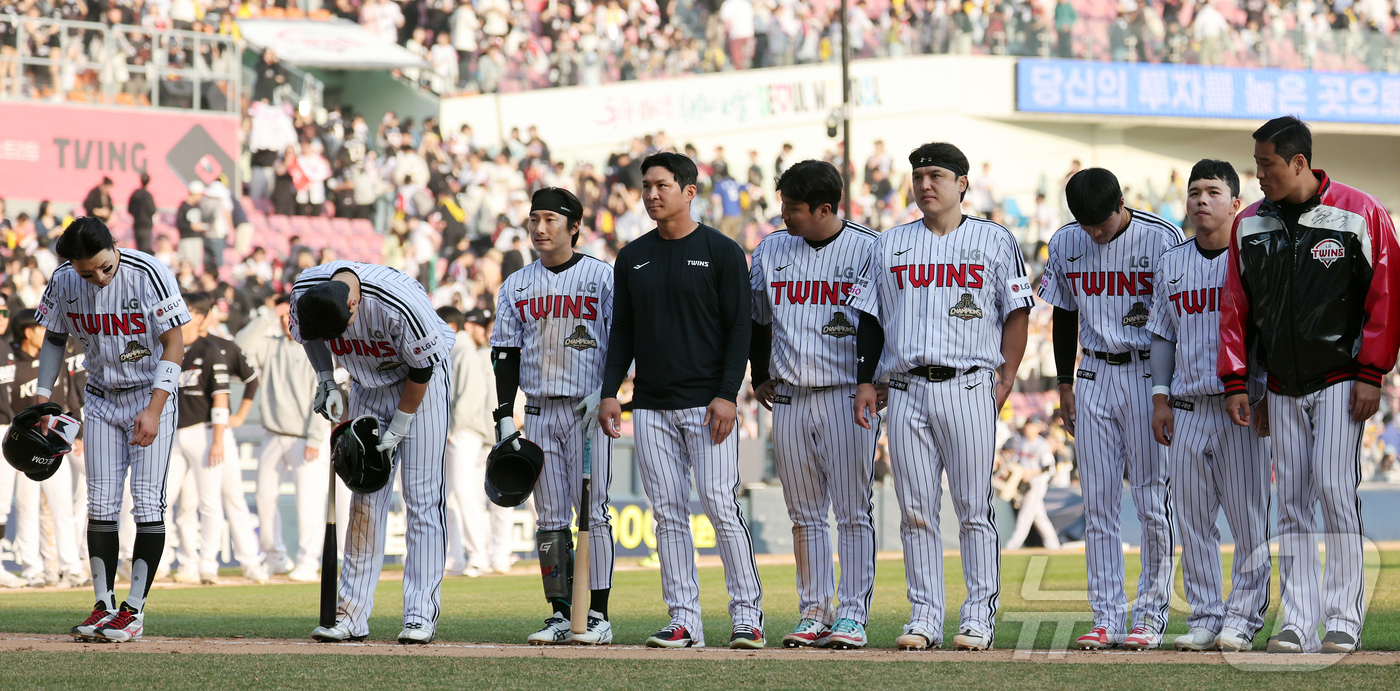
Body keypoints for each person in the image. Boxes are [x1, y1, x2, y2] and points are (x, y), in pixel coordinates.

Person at [1219, 117, 1400, 655]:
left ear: (1299, 162)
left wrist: (1373, 373)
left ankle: (1344, 618)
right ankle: (1297, 622)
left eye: (1266, 164)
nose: (1257, 176)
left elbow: (1386, 297)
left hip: (1343, 379)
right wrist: (1240, 384)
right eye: (1256, 164)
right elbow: (1236, 309)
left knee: (1334, 491)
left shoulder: (1360, 211)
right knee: (1293, 501)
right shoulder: (1249, 223)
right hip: (1279, 384)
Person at [849, 142, 1033, 651]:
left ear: (961, 183)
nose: (926, 184)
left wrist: (1008, 372)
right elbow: (869, 318)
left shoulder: (995, 240)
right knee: (915, 510)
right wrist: (867, 379)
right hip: (905, 388)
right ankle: (925, 614)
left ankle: (978, 615)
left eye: (936, 175)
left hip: (969, 382)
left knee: (974, 507)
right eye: (919, 175)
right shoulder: (889, 245)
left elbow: (1018, 309)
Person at [598, 152, 762, 649]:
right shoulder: (631, 257)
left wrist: (727, 395)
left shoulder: (722, 251)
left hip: (707, 404)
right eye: (646, 186)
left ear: (690, 191)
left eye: (662, 185)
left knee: (720, 504)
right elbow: (622, 331)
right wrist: (610, 392)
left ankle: (747, 617)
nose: (651, 194)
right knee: (667, 512)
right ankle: (684, 620)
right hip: (648, 406)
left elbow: (741, 330)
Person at [1039, 167, 1183, 650]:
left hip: (1147, 372)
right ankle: (1106, 617)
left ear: (1121, 203)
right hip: (1094, 373)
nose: (1094, 232)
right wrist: (1063, 382)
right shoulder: (1066, 241)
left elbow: (1177, 319)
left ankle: (1150, 615)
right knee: (1097, 505)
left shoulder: (1162, 238)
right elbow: (1063, 312)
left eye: (1100, 222)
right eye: (1085, 224)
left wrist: (1168, 389)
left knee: (1150, 502)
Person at [747, 160, 879, 649]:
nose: (784, 214)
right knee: (804, 514)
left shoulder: (868, 247)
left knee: (851, 512)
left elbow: (876, 323)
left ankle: (851, 613)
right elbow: (757, 319)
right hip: (792, 397)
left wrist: (870, 380)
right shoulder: (772, 249)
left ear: (826, 208)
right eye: (782, 204)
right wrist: (759, 373)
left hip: (847, 394)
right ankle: (814, 610)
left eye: (794, 208)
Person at [39, 218, 189, 642]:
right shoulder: (65, 280)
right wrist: (41, 394)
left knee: (146, 502)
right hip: (102, 395)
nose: (99, 278)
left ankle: (134, 610)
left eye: (105, 266)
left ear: (114, 246)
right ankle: (103, 605)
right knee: (100, 503)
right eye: (88, 272)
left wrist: (156, 409)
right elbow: (54, 338)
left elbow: (175, 343)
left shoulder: (149, 273)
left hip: (150, 392)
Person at [291, 258, 455, 645]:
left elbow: (422, 369)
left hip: (420, 384)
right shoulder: (305, 292)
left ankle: (419, 615)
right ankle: (350, 615)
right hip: (366, 384)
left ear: (353, 304)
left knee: (423, 497)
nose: (338, 340)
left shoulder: (397, 303)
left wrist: (401, 423)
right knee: (364, 498)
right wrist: (328, 381)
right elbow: (310, 337)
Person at [1147, 160, 1271, 653]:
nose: (1200, 199)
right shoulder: (1172, 262)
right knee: (1194, 522)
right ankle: (1204, 615)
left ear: (1236, 203)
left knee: (1247, 520)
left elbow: (1267, 334)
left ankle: (1242, 617)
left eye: (1213, 191)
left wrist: (1266, 394)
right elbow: (1163, 334)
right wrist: (1160, 397)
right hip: (1188, 406)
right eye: (1194, 190)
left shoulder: (1253, 258)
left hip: (1240, 407)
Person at [492, 187, 616, 645]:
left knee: (594, 514)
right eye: (534, 219)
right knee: (548, 517)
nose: (540, 228)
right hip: (540, 411)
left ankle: (597, 615)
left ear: (574, 226)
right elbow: (504, 352)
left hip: (588, 410)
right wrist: (505, 415)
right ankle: (562, 612)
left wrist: (607, 392)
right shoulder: (517, 284)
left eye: (551, 219)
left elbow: (622, 342)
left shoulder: (602, 278)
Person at [237, 295, 347, 582]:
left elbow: (324, 389)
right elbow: (240, 346)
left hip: (306, 436)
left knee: (308, 502)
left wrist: (315, 435)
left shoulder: (317, 348)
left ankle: (308, 561)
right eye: (286, 317)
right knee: (264, 497)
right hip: (274, 433)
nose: (288, 322)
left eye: (292, 317)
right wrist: (268, 316)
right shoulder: (271, 344)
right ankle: (275, 557)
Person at [168, 292, 268, 585]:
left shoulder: (219, 348)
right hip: (179, 435)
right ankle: (185, 562)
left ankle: (240, 561)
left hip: (211, 432)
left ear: (199, 315)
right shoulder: (172, 348)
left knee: (226, 498)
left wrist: (229, 426)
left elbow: (248, 383)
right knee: (181, 502)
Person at [7, 308, 84, 588]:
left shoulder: (56, 363)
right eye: (41, 329)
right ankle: (33, 569)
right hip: (24, 445)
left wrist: (76, 433)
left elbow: (69, 400)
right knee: (27, 508)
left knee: (61, 506)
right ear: (28, 332)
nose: (47, 334)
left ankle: (70, 567)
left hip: (54, 442)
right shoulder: (12, 365)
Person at [1002, 417, 1062, 551]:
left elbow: (1049, 468)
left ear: (1038, 428)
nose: (1028, 427)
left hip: (1037, 483)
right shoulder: (1023, 441)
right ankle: (1054, 546)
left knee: (1025, 516)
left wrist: (1030, 472)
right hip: (1025, 484)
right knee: (1039, 517)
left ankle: (1011, 547)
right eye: (1028, 424)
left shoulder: (1041, 444)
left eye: (1032, 425)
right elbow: (1017, 462)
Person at [0, 294, 20, 588]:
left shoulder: (8, 348)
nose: (2, 316)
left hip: (6, 427)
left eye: (5, 311)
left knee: (2, 502)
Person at [176, 182, 209, 272]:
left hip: (197, 238)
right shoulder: (183, 207)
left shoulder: (198, 206)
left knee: (196, 264)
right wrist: (191, 227)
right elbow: (179, 223)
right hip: (187, 239)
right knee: (187, 262)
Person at [128, 173, 157, 254]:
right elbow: (152, 210)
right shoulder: (147, 195)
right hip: (146, 225)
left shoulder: (135, 194)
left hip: (137, 225)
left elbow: (130, 209)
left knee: (139, 249)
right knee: (146, 250)